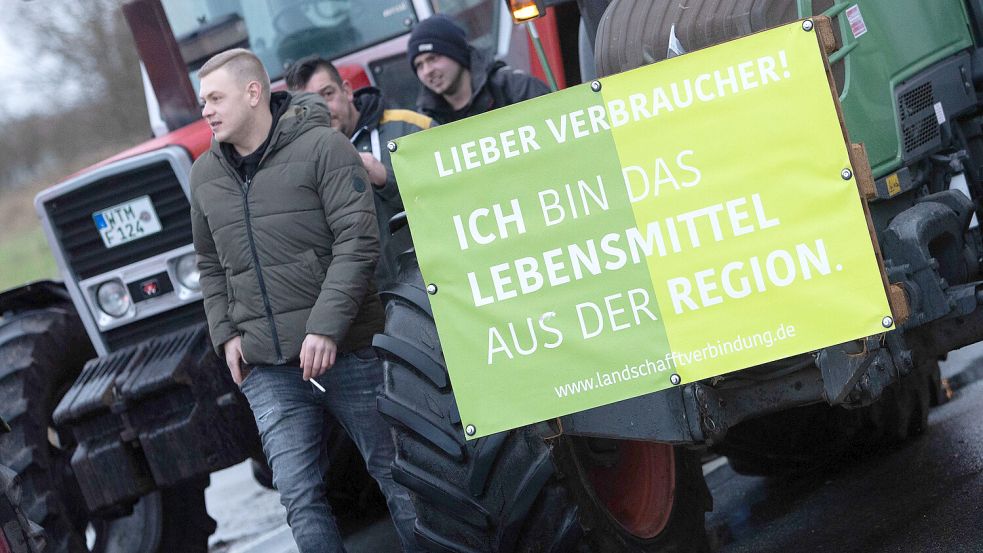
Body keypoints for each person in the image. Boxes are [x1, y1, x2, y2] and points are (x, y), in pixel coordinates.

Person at [188, 48, 422, 553]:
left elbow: (357, 242)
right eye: (202, 100)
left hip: (349, 349)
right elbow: (209, 265)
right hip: (267, 367)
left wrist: (325, 328)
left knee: (398, 474)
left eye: (214, 98)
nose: (205, 111)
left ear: (254, 94)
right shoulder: (204, 176)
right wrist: (225, 333)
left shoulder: (324, 149)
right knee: (299, 496)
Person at [284, 56, 433, 289]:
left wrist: (385, 178)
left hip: (432, 284)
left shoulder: (411, 126)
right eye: (307, 104)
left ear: (347, 90)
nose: (321, 109)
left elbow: (453, 194)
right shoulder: (295, 165)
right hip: (366, 305)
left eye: (327, 94)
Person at [408, 14, 552, 124]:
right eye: (419, 66)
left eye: (433, 58)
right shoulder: (426, 122)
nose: (427, 71)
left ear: (457, 54)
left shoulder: (515, 88)